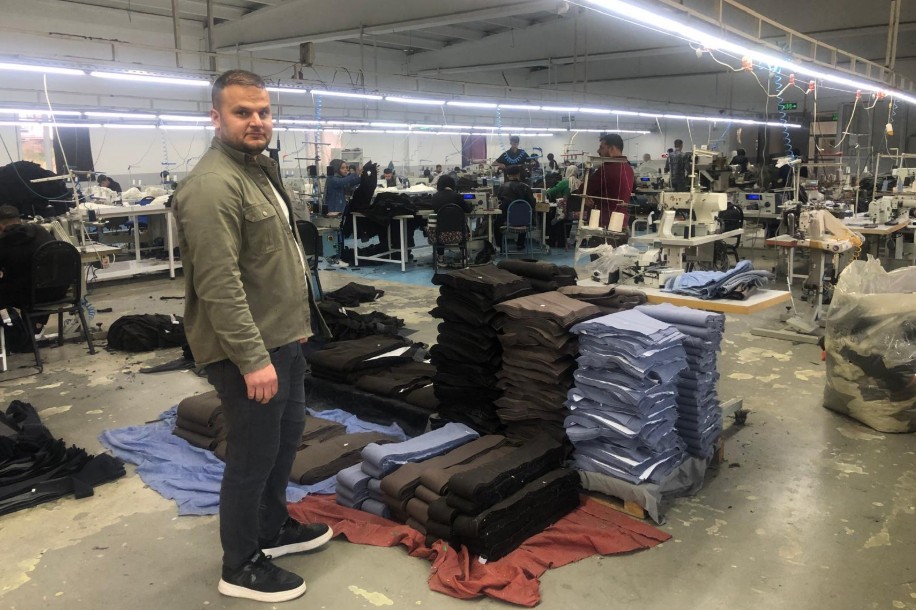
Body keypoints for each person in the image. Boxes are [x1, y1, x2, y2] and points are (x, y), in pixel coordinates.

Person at [172, 69, 332, 604]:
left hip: (283, 339)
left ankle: (271, 527)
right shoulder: (212, 185)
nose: (257, 121)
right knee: (251, 457)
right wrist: (251, 358)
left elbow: (271, 262)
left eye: (263, 111)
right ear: (216, 117)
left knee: (284, 442)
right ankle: (240, 563)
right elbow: (219, 284)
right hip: (249, 352)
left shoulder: (258, 170)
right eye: (242, 112)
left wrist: (295, 327)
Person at [0, 205, 61, 338]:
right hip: (58, 291)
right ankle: (36, 326)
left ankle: (13, 334)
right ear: (20, 220)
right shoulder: (41, 231)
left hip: (29, 297)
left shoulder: (4, 242)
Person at [584, 133, 634, 237]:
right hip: (622, 224)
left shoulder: (606, 169)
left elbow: (583, 190)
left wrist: (586, 196)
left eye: (601, 148)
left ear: (612, 149)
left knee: (602, 248)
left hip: (604, 227)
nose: (598, 151)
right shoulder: (629, 169)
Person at [428, 175, 474, 258]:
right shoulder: (457, 196)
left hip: (440, 236)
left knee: (439, 227)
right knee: (460, 224)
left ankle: (440, 257)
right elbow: (468, 210)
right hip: (459, 235)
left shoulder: (435, 197)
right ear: (452, 184)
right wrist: (471, 204)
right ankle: (464, 255)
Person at [495, 164, 536, 251]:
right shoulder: (526, 187)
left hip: (506, 220)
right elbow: (532, 204)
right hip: (525, 222)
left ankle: (499, 246)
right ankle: (520, 244)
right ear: (519, 174)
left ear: (507, 175)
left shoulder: (502, 187)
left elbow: (498, 202)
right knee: (524, 214)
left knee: (496, 223)